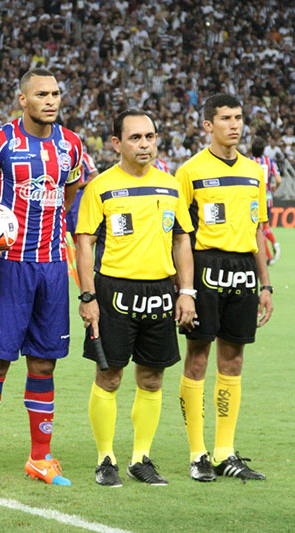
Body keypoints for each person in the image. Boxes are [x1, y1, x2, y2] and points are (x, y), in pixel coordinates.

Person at [0, 68, 83, 488]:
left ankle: (40, 457)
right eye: (41, 94)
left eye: (55, 93)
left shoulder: (71, 145)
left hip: (53, 267)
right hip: (9, 267)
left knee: (44, 363)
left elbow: (68, 196)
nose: (50, 100)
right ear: (23, 99)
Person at [77, 109, 196, 487]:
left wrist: (187, 293)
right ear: (116, 143)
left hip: (160, 291)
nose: (144, 144)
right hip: (114, 291)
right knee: (109, 375)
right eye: (135, 138)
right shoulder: (100, 187)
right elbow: (84, 244)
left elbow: (182, 240)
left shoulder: (171, 185)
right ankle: (105, 459)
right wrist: (87, 295)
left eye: (149, 137)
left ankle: (140, 458)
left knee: (152, 377)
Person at [176, 94, 273, 482]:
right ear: (207, 125)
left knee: (233, 358)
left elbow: (257, 230)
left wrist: (266, 284)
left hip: (244, 269)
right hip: (205, 268)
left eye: (238, 118)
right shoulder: (190, 172)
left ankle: (224, 452)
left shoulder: (255, 172)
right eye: (225, 118)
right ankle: (198, 453)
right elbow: (179, 234)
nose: (234, 125)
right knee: (198, 356)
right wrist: (183, 288)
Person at [250, 136, 282, 265]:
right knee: (264, 227)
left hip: (253, 200)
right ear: (263, 150)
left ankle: (267, 256)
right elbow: (278, 180)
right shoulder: (269, 162)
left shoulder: (249, 161)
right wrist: (273, 189)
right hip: (267, 198)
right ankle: (273, 246)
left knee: (257, 228)